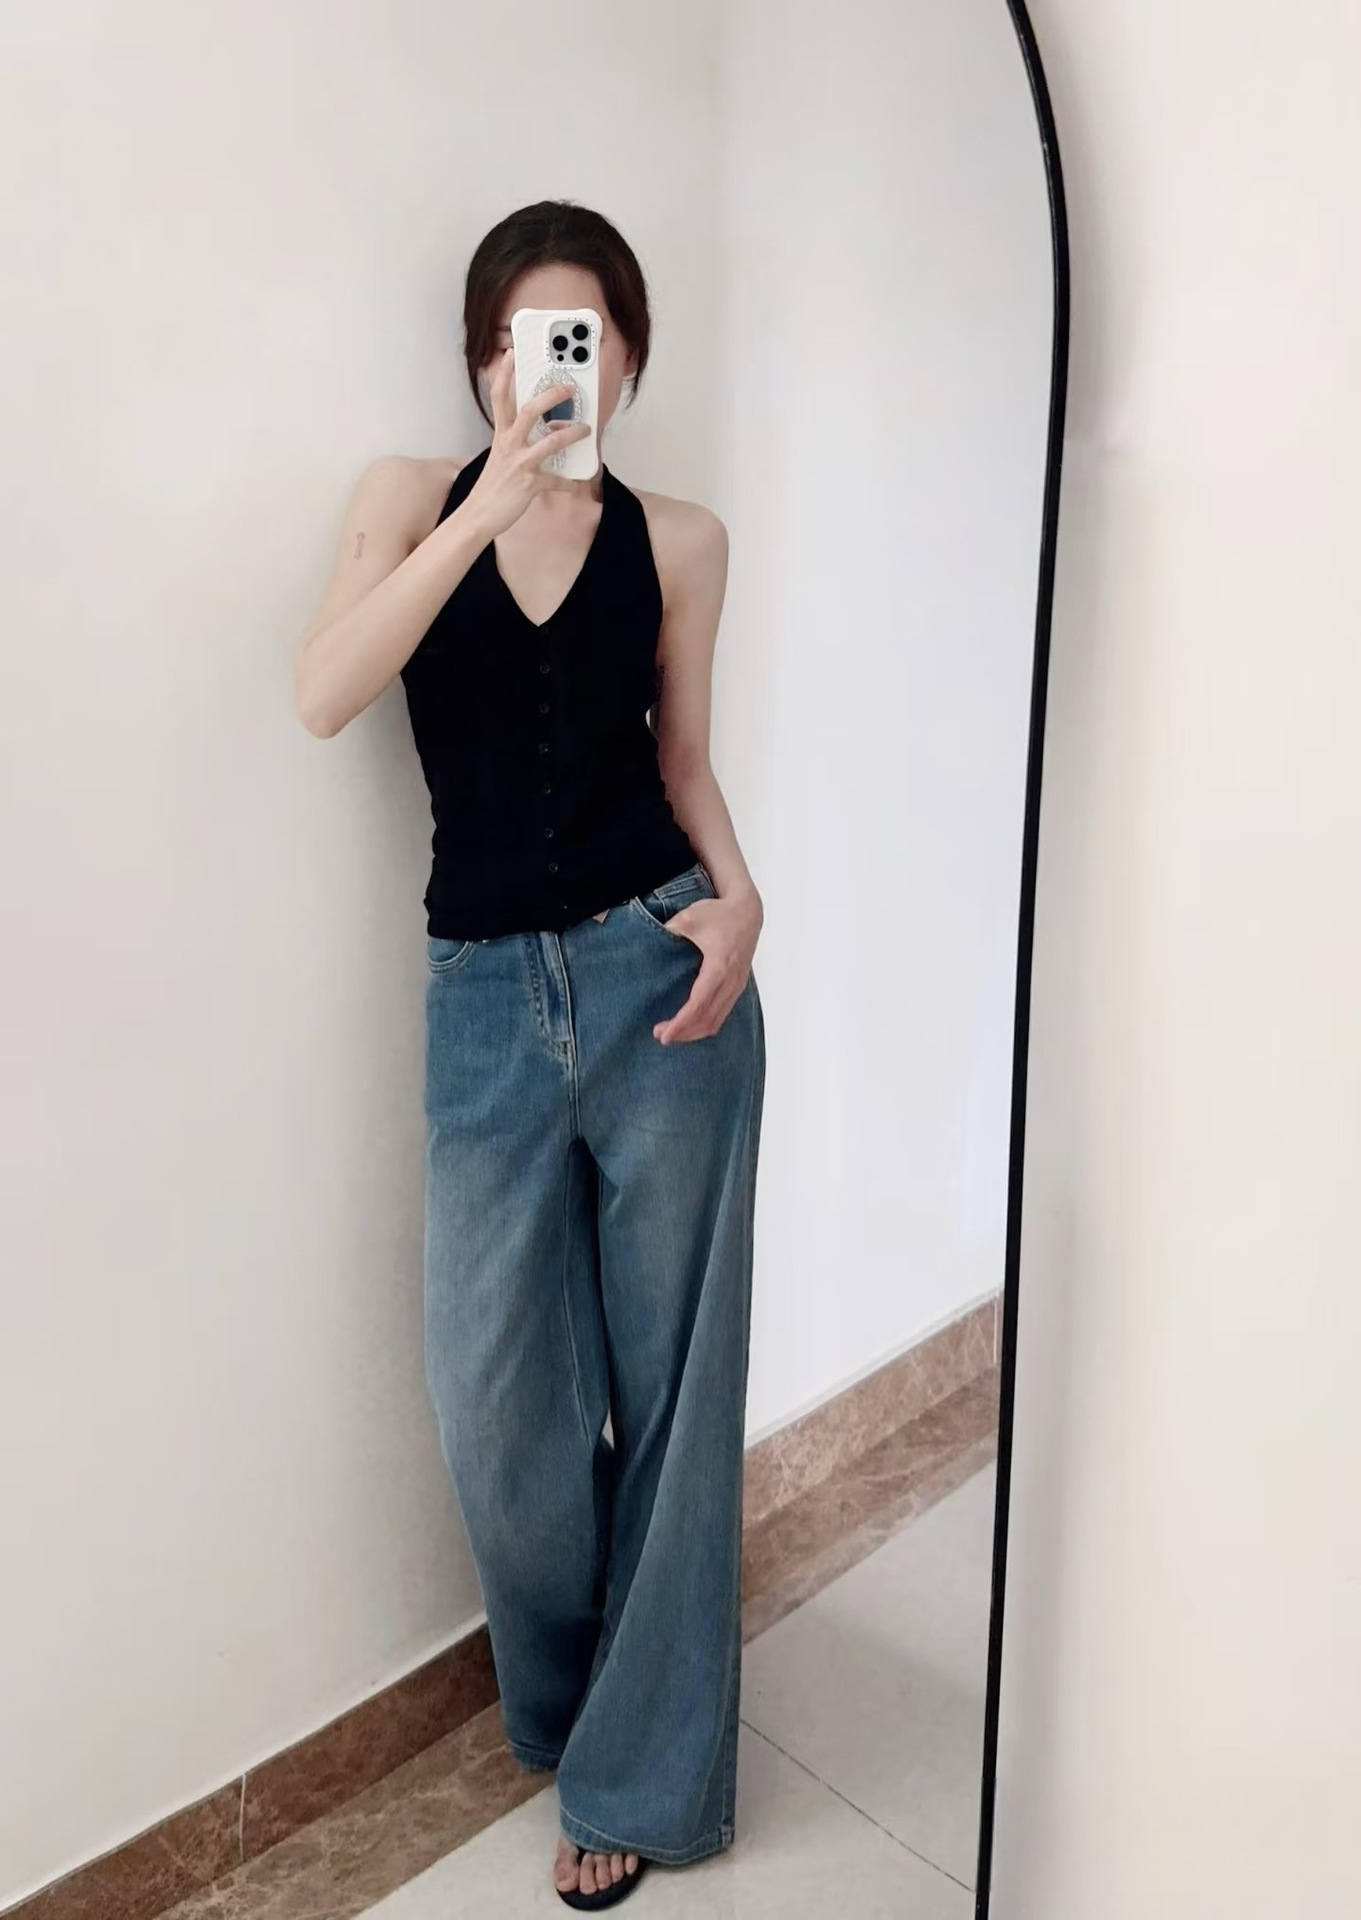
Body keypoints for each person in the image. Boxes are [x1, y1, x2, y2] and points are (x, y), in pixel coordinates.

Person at [293, 201, 766, 1910]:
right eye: (518, 336)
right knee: (495, 1406)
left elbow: (684, 761)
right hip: (484, 1000)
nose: (550, 362)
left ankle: (637, 1773)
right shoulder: (405, 496)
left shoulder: (685, 538)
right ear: (481, 356)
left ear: (626, 354)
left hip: (662, 974)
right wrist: (487, 504)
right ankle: (571, 1714)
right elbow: (325, 690)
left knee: (676, 1384)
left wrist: (741, 901)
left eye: (582, 334)